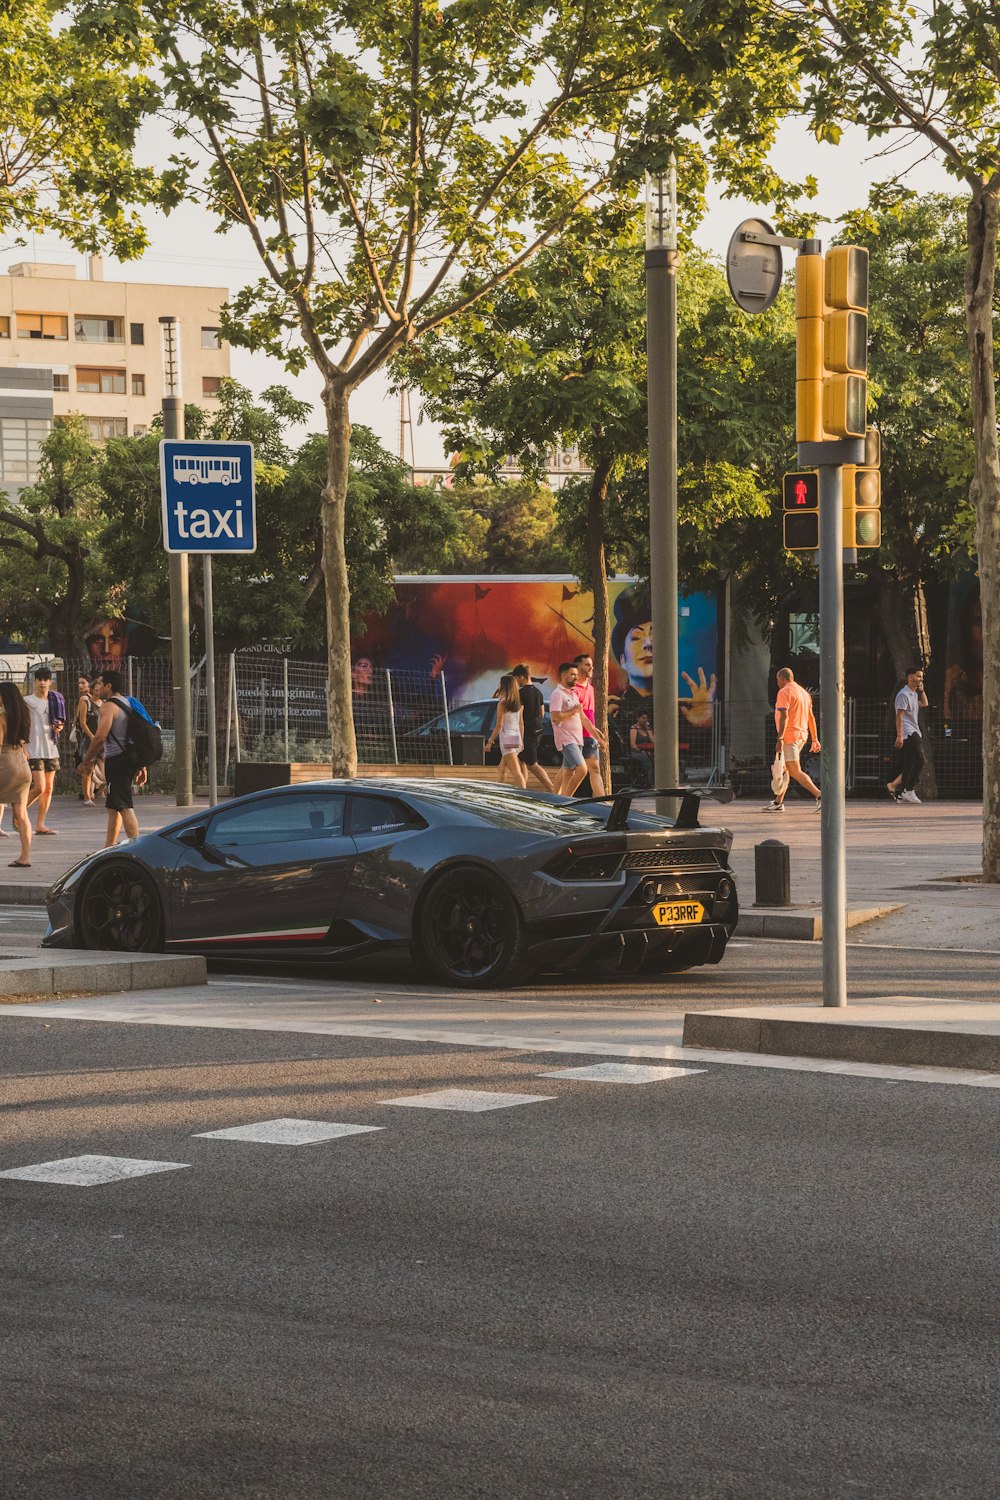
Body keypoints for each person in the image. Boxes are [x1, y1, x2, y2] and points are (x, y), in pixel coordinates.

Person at [78, 670, 148, 847]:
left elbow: (100, 737)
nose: (97, 687)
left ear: (109, 686)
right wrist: (142, 766)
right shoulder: (128, 703)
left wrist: (86, 761)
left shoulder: (108, 706)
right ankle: (108, 847)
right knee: (113, 806)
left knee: (124, 805)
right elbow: (136, 735)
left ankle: (136, 847)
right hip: (129, 758)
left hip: (117, 760)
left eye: (100, 683)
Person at [764, 667, 821, 812]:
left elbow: (784, 716)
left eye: (778, 680)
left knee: (794, 770)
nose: (777, 683)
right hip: (801, 735)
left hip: (789, 736)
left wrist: (780, 738)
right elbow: (811, 717)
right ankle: (778, 802)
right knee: (785, 769)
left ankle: (821, 796)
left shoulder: (784, 692)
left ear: (783, 678)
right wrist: (815, 738)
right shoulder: (803, 693)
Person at [550, 661, 607, 797]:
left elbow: (584, 720)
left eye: (576, 674)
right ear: (564, 675)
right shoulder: (558, 694)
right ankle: (565, 801)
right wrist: (573, 711)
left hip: (578, 739)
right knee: (582, 770)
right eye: (573, 674)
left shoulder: (573, 695)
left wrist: (599, 738)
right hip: (567, 739)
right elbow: (555, 717)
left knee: (568, 772)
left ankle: (557, 799)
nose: (576, 677)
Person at [24, 665, 63, 835]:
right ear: (34, 681)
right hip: (34, 748)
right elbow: (22, 724)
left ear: (50, 681)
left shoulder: (56, 700)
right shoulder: (28, 701)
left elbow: (60, 721)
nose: (42, 683)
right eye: (39, 679)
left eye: (45, 679)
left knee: (48, 789)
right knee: (39, 787)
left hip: (51, 748)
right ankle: (19, 813)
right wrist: (23, 746)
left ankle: (40, 824)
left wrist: (59, 727)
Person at [0, 681, 33, 868]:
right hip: (22, 766)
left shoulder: (2, 718)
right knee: (22, 813)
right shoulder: (24, 715)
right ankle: (25, 857)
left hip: (5, 766)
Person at [888, 666, 928, 804]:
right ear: (910, 677)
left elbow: (925, 703)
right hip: (908, 731)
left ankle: (901, 793)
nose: (920, 679)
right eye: (918, 676)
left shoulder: (913, 694)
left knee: (910, 762)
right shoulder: (903, 695)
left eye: (921, 677)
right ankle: (908, 790)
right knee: (919, 759)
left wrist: (921, 691)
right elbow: (899, 716)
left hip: (914, 730)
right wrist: (899, 735)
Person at [511, 665, 554, 792]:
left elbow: (519, 714)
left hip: (526, 731)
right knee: (521, 760)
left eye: (516, 679)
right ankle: (522, 789)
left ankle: (552, 789)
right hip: (538, 730)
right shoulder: (538, 692)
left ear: (521, 677)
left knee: (532, 763)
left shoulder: (521, 693)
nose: (516, 683)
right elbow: (541, 713)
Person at [572, 652, 606, 797]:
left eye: (591, 665)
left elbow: (589, 717)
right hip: (575, 736)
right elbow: (582, 718)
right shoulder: (573, 689)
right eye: (587, 664)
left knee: (595, 769)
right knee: (569, 771)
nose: (591, 667)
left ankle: (603, 802)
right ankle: (560, 797)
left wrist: (596, 733)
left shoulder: (590, 688)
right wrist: (597, 736)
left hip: (589, 736)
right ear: (578, 667)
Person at [485, 674, 527, 788]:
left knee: (516, 772)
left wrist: (490, 742)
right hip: (516, 737)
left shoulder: (502, 704)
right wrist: (521, 741)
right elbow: (521, 723)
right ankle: (499, 790)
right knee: (502, 768)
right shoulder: (518, 704)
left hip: (507, 738)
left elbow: (498, 726)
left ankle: (524, 795)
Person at [73, 674, 101, 806]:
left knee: (99, 766)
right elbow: (80, 721)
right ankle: (88, 796)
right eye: (79, 683)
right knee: (88, 767)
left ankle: (97, 788)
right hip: (89, 738)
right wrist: (91, 736)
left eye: (82, 683)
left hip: (101, 739)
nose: (80, 686)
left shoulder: (104, 703)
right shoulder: (85, 700)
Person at [628, 712, 655, 785]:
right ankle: (649, 782)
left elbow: (653, 741)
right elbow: (632, 744)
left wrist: (648, 731)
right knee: (649, 762)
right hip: (637, 752)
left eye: (646, 718)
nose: (645, 720)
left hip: (648, 751)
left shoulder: (647, 729)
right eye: (643, 718)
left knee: (654, 759)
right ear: (638, 718)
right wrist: (641, 751)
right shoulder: (634, 728)